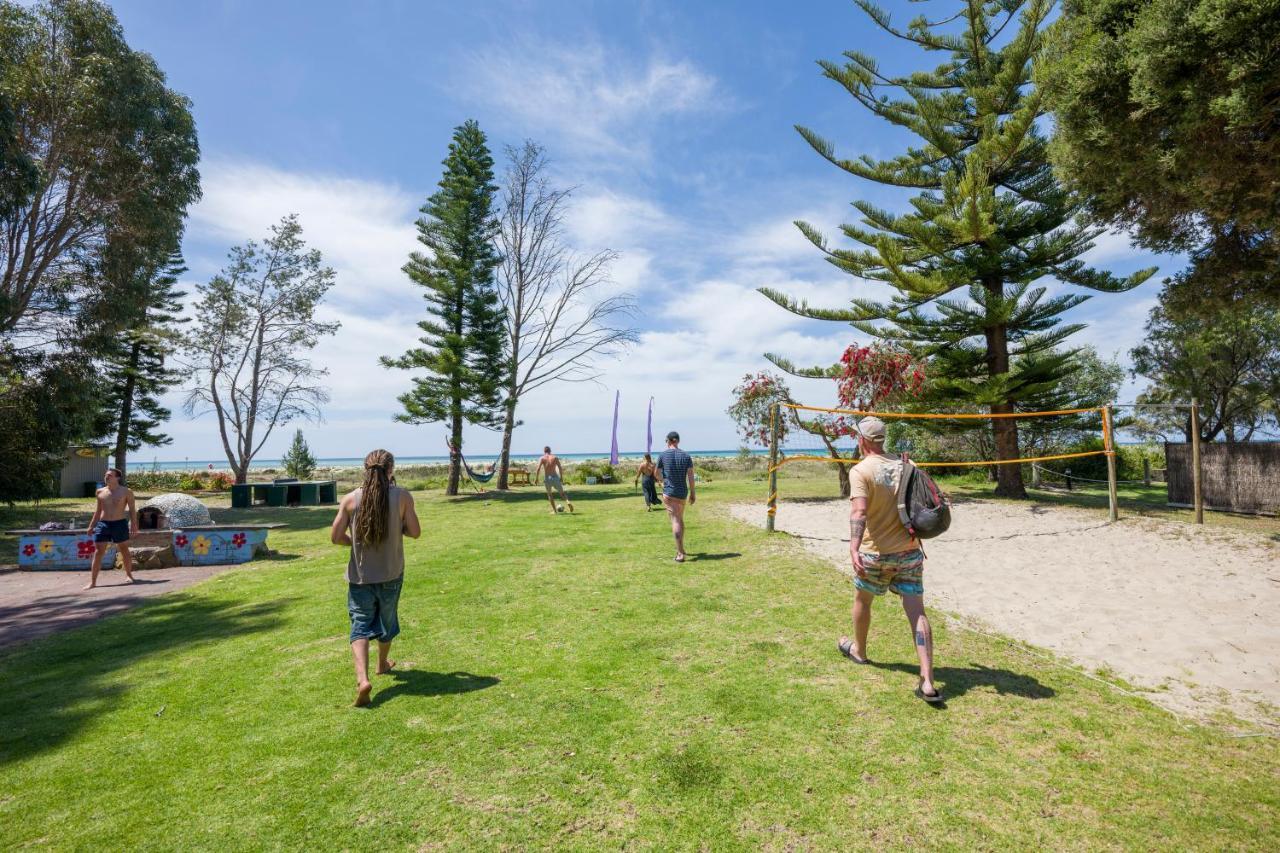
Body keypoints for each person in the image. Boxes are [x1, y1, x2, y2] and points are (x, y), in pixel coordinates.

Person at [838, 416, 942, 703]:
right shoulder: (908, 465)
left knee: (863, 601)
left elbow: (859, 513)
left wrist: (853, 548)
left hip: (875, 553)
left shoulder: (860, 471)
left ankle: (859, 650)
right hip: (909, 552)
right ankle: (928, 681)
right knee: (917, 612)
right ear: (882, 439)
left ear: (863, 440)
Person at [331, 449, 421, 707]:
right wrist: (399, 527)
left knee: (360, 625)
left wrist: (355, 544)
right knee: (387, 620)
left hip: (360, 577)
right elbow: (415, 532)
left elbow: (336, 537)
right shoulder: (402, 497)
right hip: (391, 573)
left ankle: (363, 679)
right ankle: (382, 664)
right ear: (391, 470)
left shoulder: (350, 500)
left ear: (365, 469)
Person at [83, 468, 137, 589]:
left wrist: (134, 524)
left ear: (117, 478)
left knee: (124, 549)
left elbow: (133, 510)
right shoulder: (100, 492)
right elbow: (98, 511)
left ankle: (129, 575)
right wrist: (91, 526)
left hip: (119, 523)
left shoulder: (126, 491)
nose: (106, 477)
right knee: (98, 552)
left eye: (110, 475)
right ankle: (93, 582)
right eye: (106, 475)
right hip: (103, 524)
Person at [655, 431, 695, 562]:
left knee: (675, 521)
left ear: (669, 441)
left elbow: (657, 473)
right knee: (680, 519)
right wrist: (693, 493)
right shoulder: (686, 456)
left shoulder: (663, 455)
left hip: (670, 492)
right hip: (682, 493)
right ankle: (682, 549)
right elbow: (690, 476)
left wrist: (663, 480)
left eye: (666, 441)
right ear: (677, 441)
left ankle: (680, 554)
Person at [534, 446, 574, 515]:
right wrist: (561, 477)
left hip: (548, 478)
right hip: (555, 477)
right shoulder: (555, 457)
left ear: (544, 451)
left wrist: (536, 479)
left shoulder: (542, 458)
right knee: (562, 493)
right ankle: (567, 501)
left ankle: (555, 511)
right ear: (550, 451)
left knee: (550, 495)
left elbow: (538, 469)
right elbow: (560, 468)